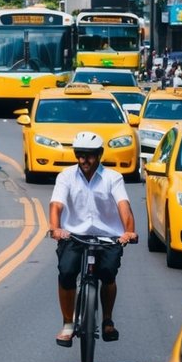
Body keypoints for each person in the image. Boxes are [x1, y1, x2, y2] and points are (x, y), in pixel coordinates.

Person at [48, 130, 136, 347]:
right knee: (67, 273)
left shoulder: (113, 178)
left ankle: (107, 320)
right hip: (74, 236)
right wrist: (56, 228)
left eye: (88, 155)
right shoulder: (66, 176)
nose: (83, 160)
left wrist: (128, 231)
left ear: (99, 155)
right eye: (79, 155)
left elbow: (123, 206)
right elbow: (56, 205)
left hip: (108, 237)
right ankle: (68, 324)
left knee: (108, 275)